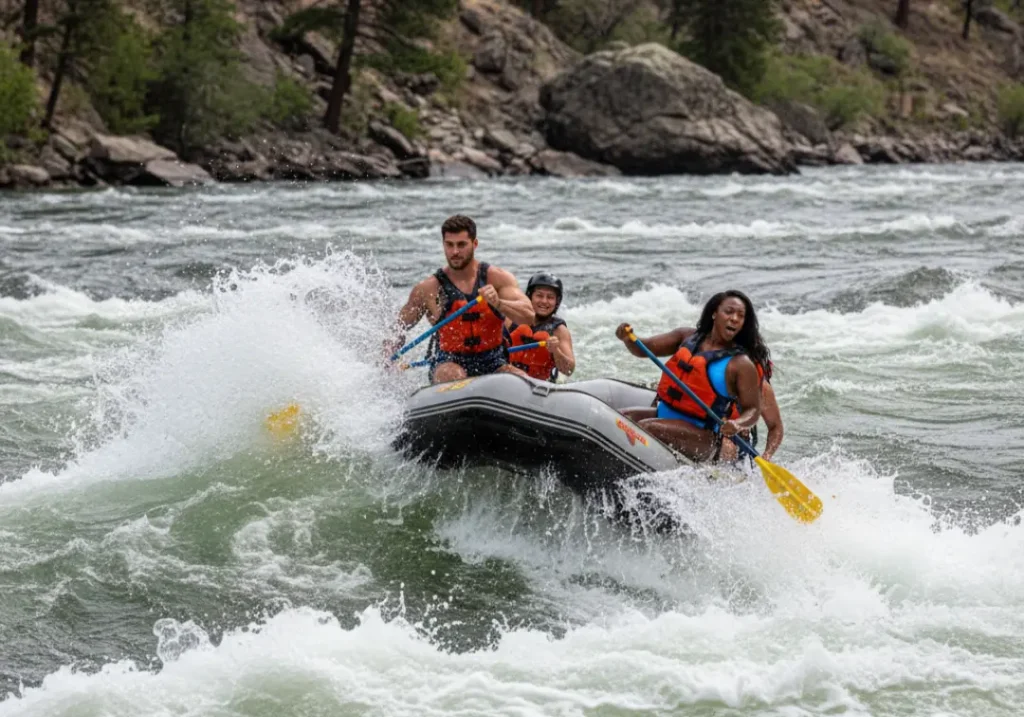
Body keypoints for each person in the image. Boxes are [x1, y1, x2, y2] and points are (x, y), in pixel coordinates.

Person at [615, 290, 771, 463]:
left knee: (644, 429)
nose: (734, 318)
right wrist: (628, 339)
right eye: (729, 312)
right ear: (714, 313)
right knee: (619, 419)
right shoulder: (686, 337)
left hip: (704, 436)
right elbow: (643, 349)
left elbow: (753, 410)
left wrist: (737, 424)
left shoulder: (741, 364)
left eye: (740, 316)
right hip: (664, 416)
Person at [389, 214, 535, 384]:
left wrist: (499, 303)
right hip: (448, 362)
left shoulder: (498, 279)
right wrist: (388, 358)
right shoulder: (428, 289)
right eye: (449, 245)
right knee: (453, 375)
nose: (455, 252)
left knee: (521, 380)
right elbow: (397, 329)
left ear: (475, 244)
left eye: (461, 245)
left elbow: (529, 316)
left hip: (494, 361)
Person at [504, 272, 576, 382]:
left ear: (557, 302)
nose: (544, 301)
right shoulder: (511, 319)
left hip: (540, 386)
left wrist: (556, 351)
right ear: (530, 296)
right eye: (539, 295)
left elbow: (569, 371)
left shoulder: (559, 330)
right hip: (507, 379)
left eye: (550, 297)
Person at [720, 378, 784, 463]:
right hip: (709, 436)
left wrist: (766, 457)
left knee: (729, 447)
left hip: (740, 444)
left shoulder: (762, 388)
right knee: (727, 446)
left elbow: (775, 427)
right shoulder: (713, 377)